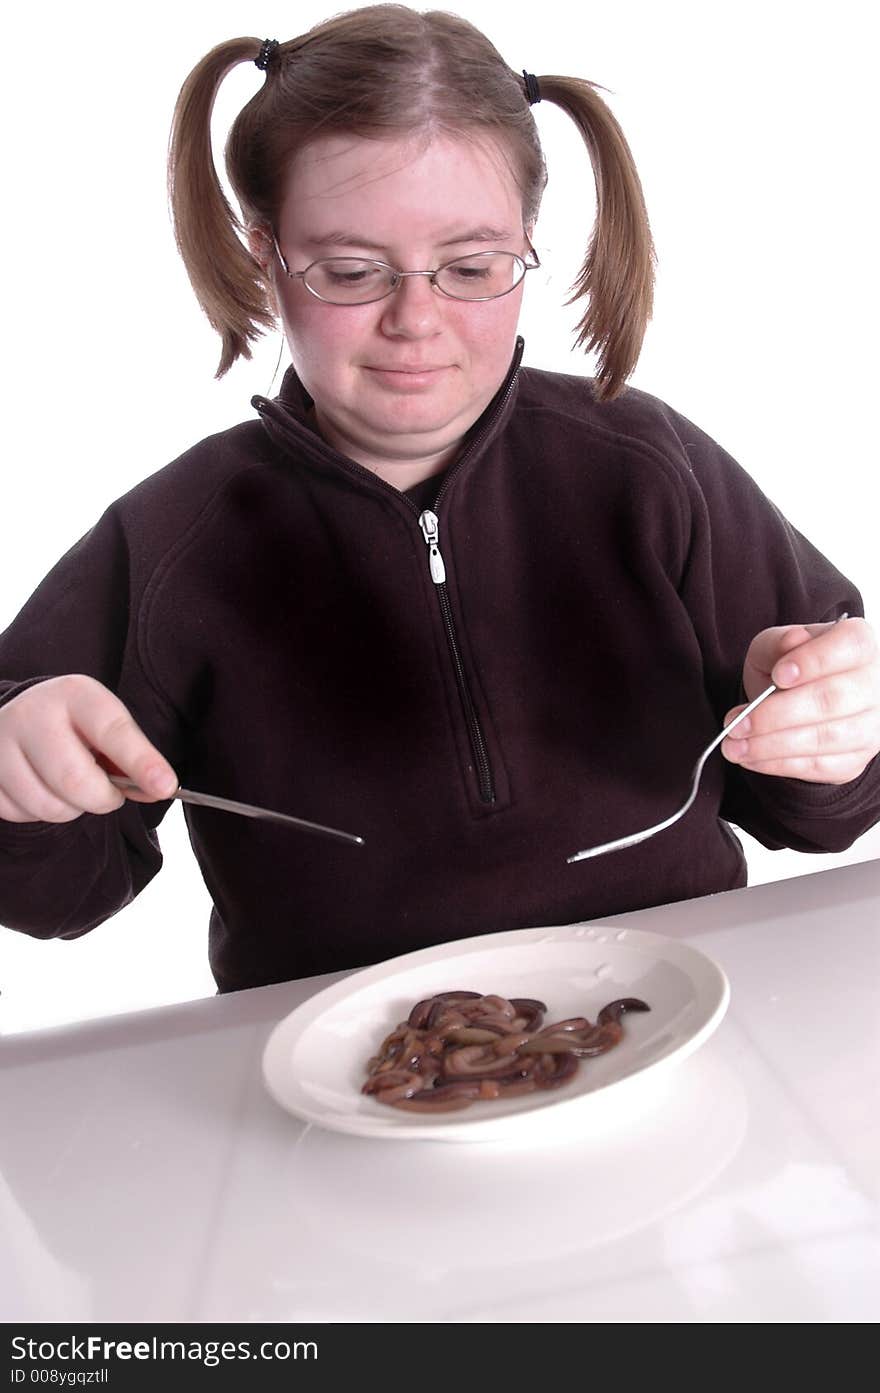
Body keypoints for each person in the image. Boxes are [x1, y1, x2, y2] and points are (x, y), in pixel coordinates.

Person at [1, 4, 878, 994]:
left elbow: (824, 814)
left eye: (469, 267)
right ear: (265, 250)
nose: (415, 319)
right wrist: (17, 786)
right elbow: (59, 896)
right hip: (339, 1092)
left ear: (527, 247)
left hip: (682, 1020)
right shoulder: (173, 541)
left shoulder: (647, 468)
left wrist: (831, 737)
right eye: (349, 271)